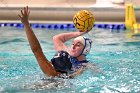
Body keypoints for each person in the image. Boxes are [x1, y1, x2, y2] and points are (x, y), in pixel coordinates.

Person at [18, 6, 92, 78]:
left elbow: (36, 50)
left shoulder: (50, 72)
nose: (73, 46)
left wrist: (26, 25)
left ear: (52, 65)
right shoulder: (70, 77)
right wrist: (78, 34)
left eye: (78, 45)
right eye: (73, 43)